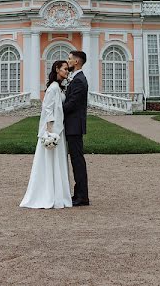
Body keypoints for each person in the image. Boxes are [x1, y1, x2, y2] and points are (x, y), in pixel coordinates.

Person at [19, 60, 73, 209]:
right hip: (54, 131)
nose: (67, 71)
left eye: (68, 69)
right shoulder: (53, 88)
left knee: (57, 163)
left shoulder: (59, 88)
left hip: (58, 129)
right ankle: (49, 194)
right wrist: (49, 133)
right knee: (50, 163)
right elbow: (47, 109)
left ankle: (57, 194)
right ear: (57, 69)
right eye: (65, 69)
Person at [63, 50, 89, 206]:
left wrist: (56, 109)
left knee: (77, 161)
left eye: (70, 59)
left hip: (74, 126)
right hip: (72, 125)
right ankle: (78, 193)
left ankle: (82, 196)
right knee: (76, 160)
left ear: (76, 62)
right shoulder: (76, 78)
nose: (68, 62)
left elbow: (72, 104)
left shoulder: (79, 80)